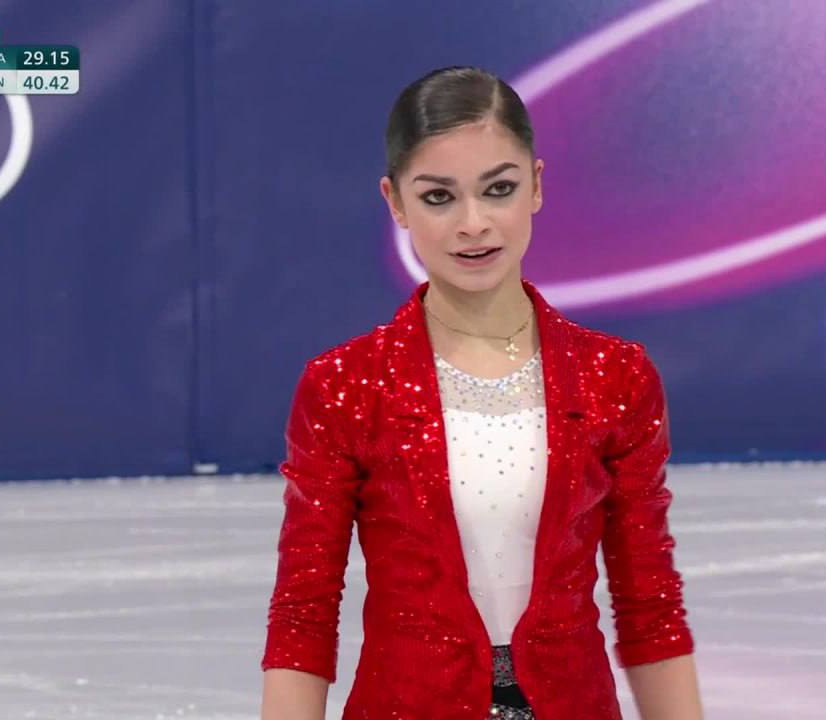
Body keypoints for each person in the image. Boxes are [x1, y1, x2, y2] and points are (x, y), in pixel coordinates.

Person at [260, 66, 703, 720]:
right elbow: (304, 613)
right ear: (395, 202)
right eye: (439, 197)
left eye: (499, 189)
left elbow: (650, 608)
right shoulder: (344, 386)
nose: (473, 223)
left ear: (537, 185)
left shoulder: (616, 377)